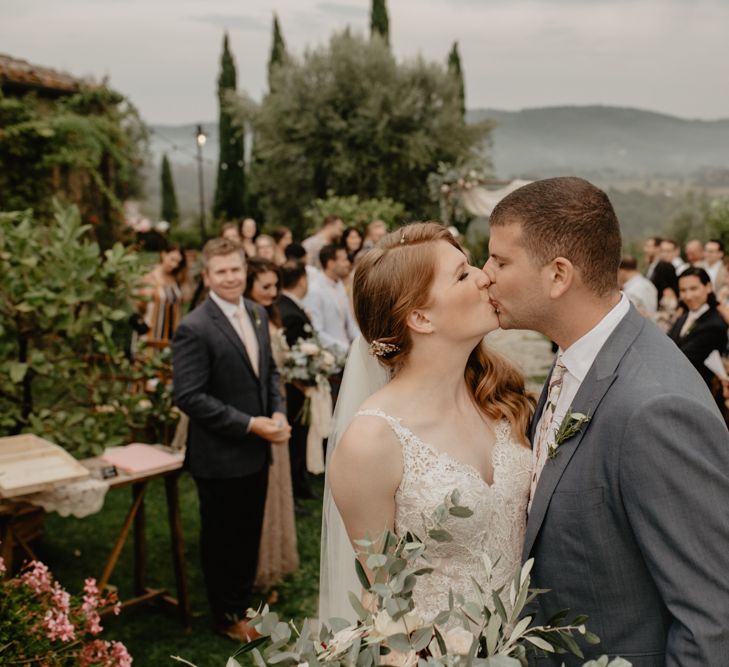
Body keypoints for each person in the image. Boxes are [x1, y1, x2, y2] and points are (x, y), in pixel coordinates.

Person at [484, 176, 729, 665]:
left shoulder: (655, 410)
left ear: (558, 275)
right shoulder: (580, 354)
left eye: (500, 260)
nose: (484, 273)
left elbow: (712, 621)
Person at [322, 222, 534, 623]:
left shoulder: (498, 398)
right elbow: (384, 596)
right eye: (462, 274)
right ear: (420, 318)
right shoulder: (371, 442)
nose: (484, 276)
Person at [172, 238, 291, 641]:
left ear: (246, 270)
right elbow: (188, 396)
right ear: (207, 276)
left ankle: (241, 603)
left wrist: (276, 411)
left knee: (247, 532)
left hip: (256, 451)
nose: (230, 277)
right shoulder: (194, 327)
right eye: (221, 271)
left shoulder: (257, 313)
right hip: (220, 455)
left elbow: (270, 374)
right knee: (222, 537)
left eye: (236, 269)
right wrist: (249, 424)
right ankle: (226, 616)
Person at [244, 258, 299, 590]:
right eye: (265, 286)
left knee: (279, 486)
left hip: (277, 408)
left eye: (275, 285)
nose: (273, 292)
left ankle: (274, 560)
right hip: (259, 412)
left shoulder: (268, 317)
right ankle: (256, 566)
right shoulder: (249, 320)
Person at [278, 261, 316, 501]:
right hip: (295, 387)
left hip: (296, 384)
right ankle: (292, 491)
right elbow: (293, 354)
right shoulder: (290, 313)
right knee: (295, 439)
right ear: (302, 280)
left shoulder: (287, 307)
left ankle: (299, 486)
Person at [668, 267, 728, 389]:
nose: (688, 296)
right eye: (683, 290)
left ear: (708, 287)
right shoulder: (684, 316)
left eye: (694, 289)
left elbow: (682, 360)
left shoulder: (714, 324)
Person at [304, 245, 359, 354]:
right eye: (343, 260)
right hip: (332, 354)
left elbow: (349, 322)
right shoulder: (315, 290)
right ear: (330, 264)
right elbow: (317, 331)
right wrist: (344, 348)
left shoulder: (339, 285)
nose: (348, 263)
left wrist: (361, 342)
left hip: (349, 351)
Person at [136, 242, 186, 346]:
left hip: (171, 337)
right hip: (152, 335)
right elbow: (139, 305)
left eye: (178, 262)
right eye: (172, 259)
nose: (174, 265)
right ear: (163, 254)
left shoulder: (175, 279)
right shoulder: (149, 277)